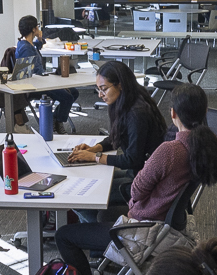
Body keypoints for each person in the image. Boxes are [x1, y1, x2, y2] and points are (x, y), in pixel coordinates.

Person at [55, 84, 217, 275]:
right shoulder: (211, 145)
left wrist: (145, 178)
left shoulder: (170, 151)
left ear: (172, 113)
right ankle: (133, 273)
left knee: (64, 236)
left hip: (145, 229)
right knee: (106, 212)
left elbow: (136, 189)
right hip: (169, 225)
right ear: (204, 112)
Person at [67, 61, 169, 213]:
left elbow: (133, 159)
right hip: (138, 172)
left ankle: (98, 231)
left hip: (144, 182)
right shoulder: (127, 100)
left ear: (120, 84)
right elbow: (117, 136)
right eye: (98, 90)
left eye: (104, 89)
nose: (100, 95)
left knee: (80, 199)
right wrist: (94, 149)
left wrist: (95, 157)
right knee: (92, 180)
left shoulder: (136, 113)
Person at [14, 15, 78, 132]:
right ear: (33, 29)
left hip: (42, 81)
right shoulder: (25, 48)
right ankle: (57, 120)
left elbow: (37, 47)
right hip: (37, 85)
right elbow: (29, 73)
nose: (39, 29)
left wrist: (39, 39)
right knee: (67, 97)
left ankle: (56, 118)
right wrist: (51, 79)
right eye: (37, 27)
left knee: (74, 92)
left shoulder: (28, 45)